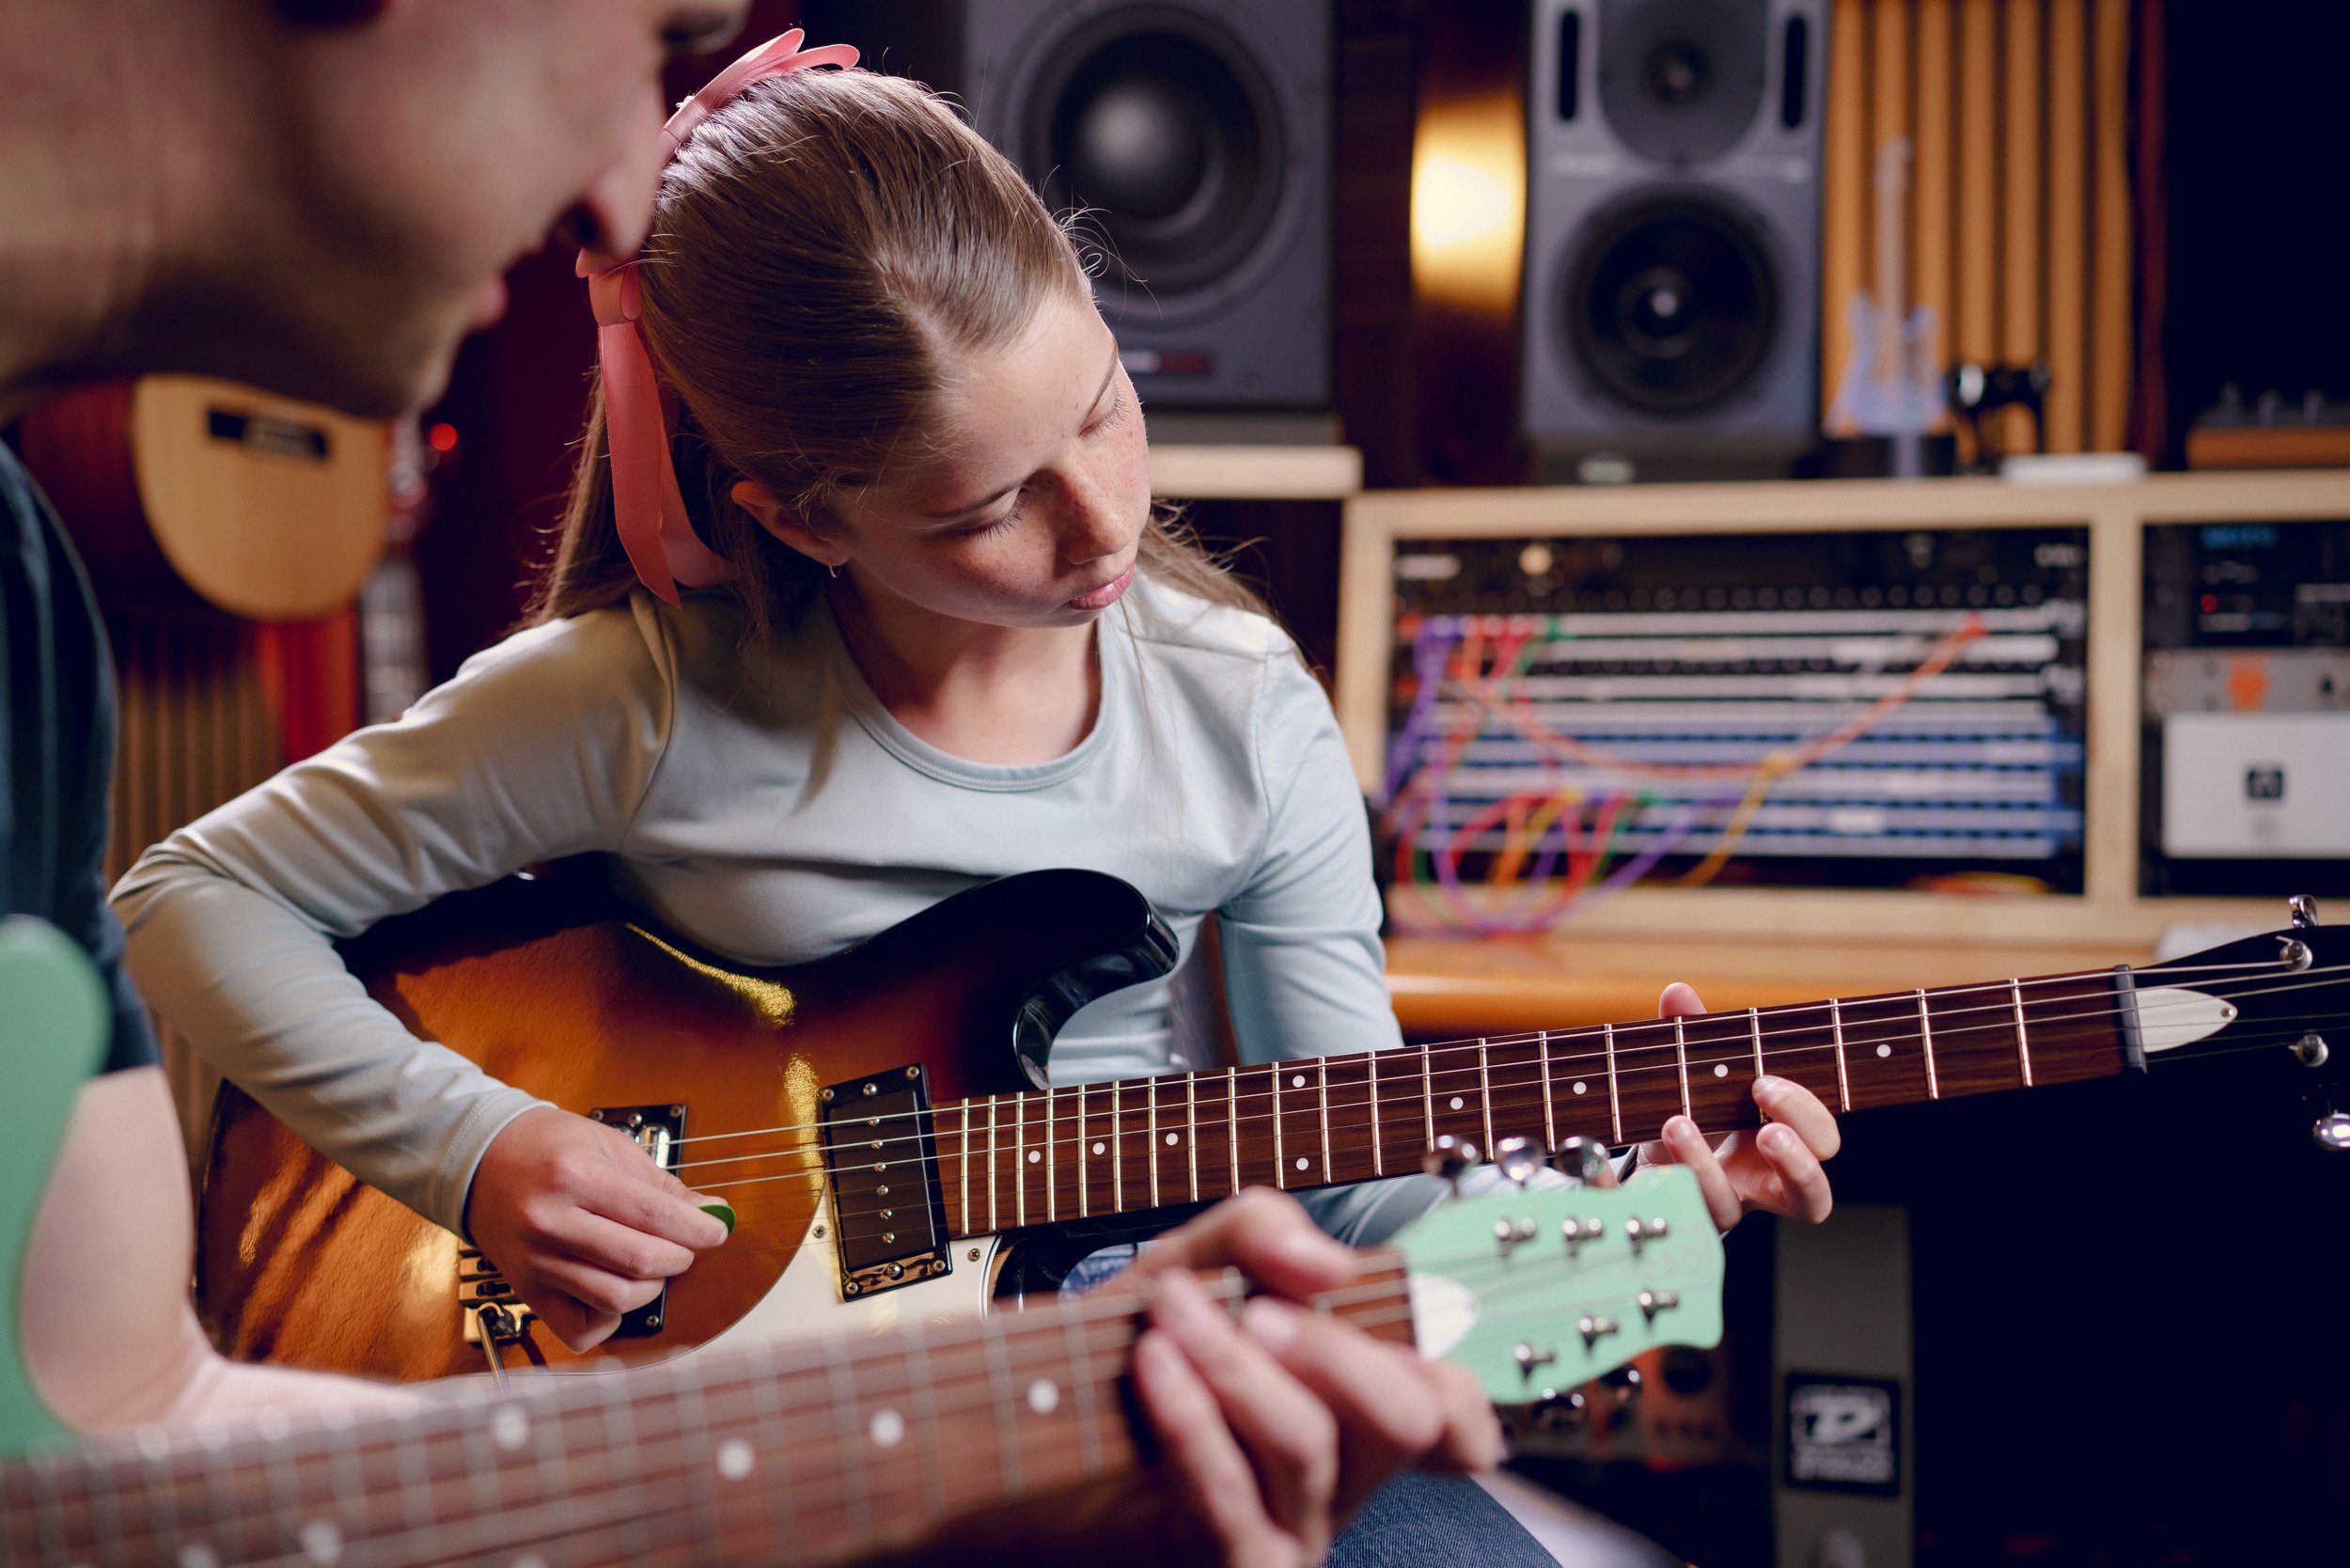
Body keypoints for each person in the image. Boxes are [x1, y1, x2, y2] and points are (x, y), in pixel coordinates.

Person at [110, 39, 1841, 1563]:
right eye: (987, 509)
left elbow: (1359, 1221)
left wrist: (1641, 1235)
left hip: (1126, 1361)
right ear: (800, 516)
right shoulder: (643, 699)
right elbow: (181, 899)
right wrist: (474, 1148)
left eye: (1103, 409)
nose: (1099, 528)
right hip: (734, 1421)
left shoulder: (1241, 715)